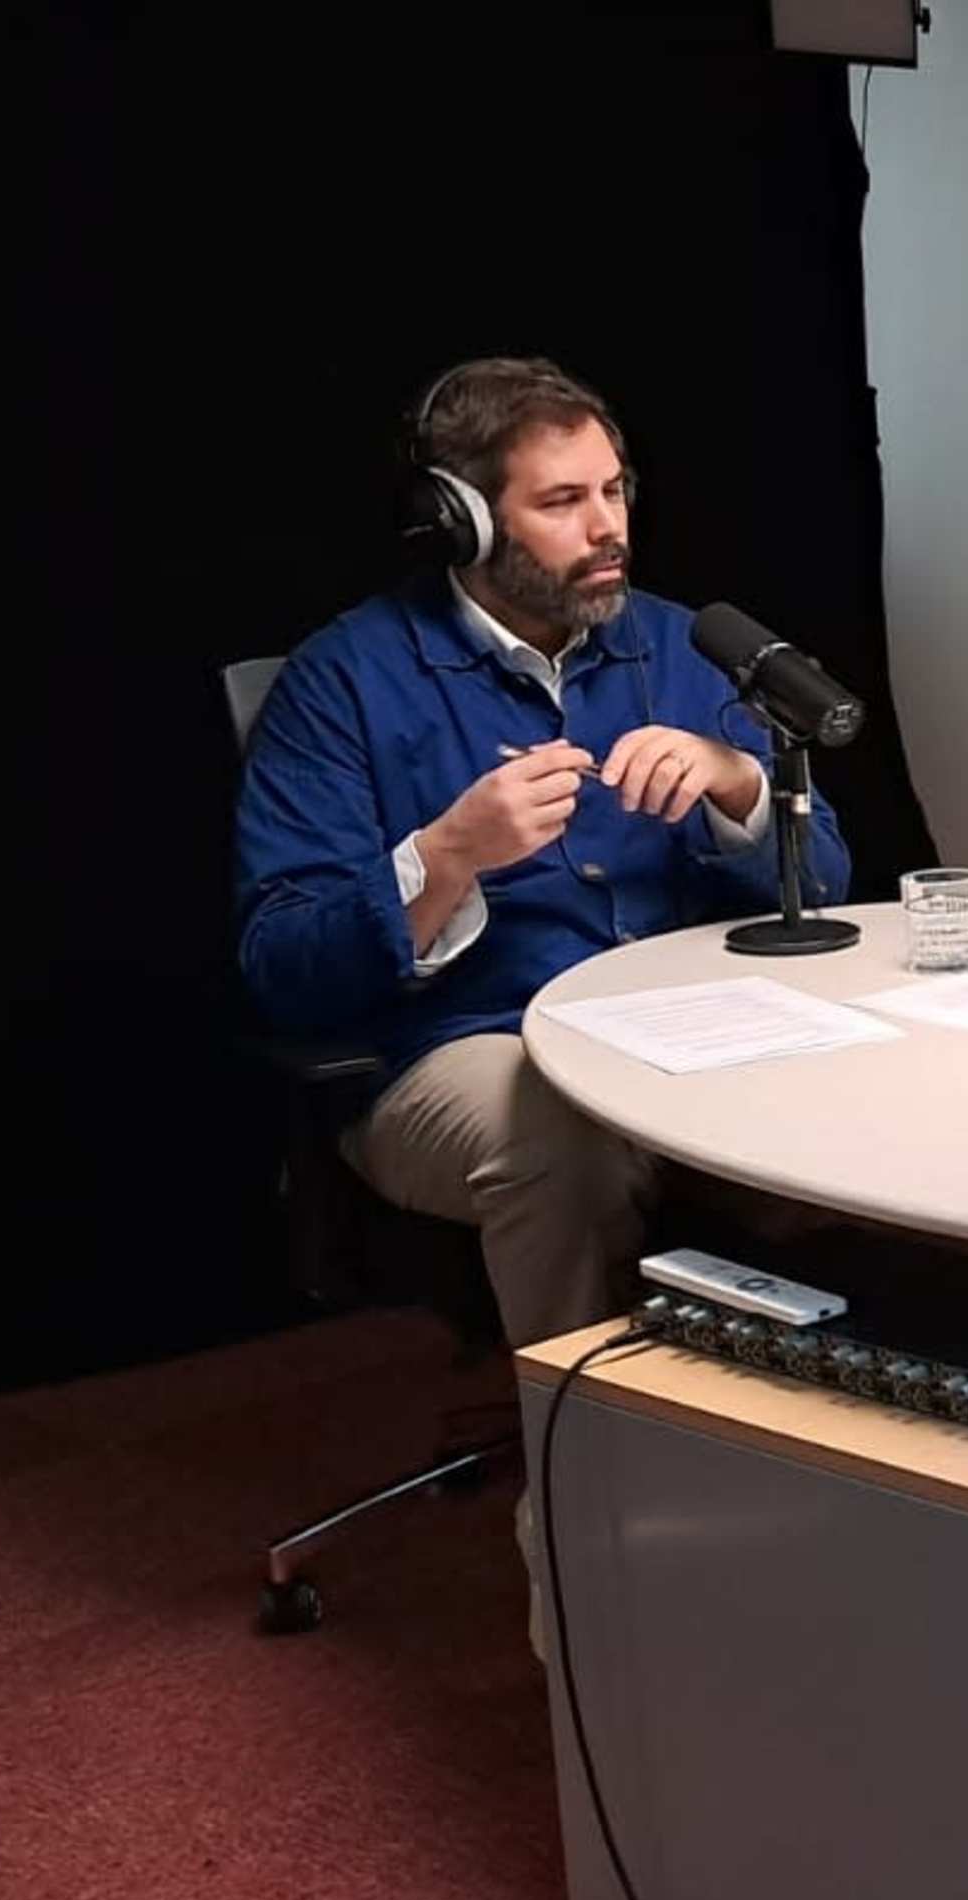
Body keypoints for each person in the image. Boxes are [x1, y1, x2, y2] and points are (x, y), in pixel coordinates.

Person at [234, 356, 850, 1350]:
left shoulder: (683, 645)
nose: (608, 527)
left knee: (890, 1087)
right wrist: (447, 858)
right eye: (564, 501)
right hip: (461, 1045)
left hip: (686, 1032)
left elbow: (825, 885)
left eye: (614, 491)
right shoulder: (342, 682)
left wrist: (736, 781)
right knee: (559, 1145)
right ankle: (592, 1496)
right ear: (463, 522)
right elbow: (284, 968)